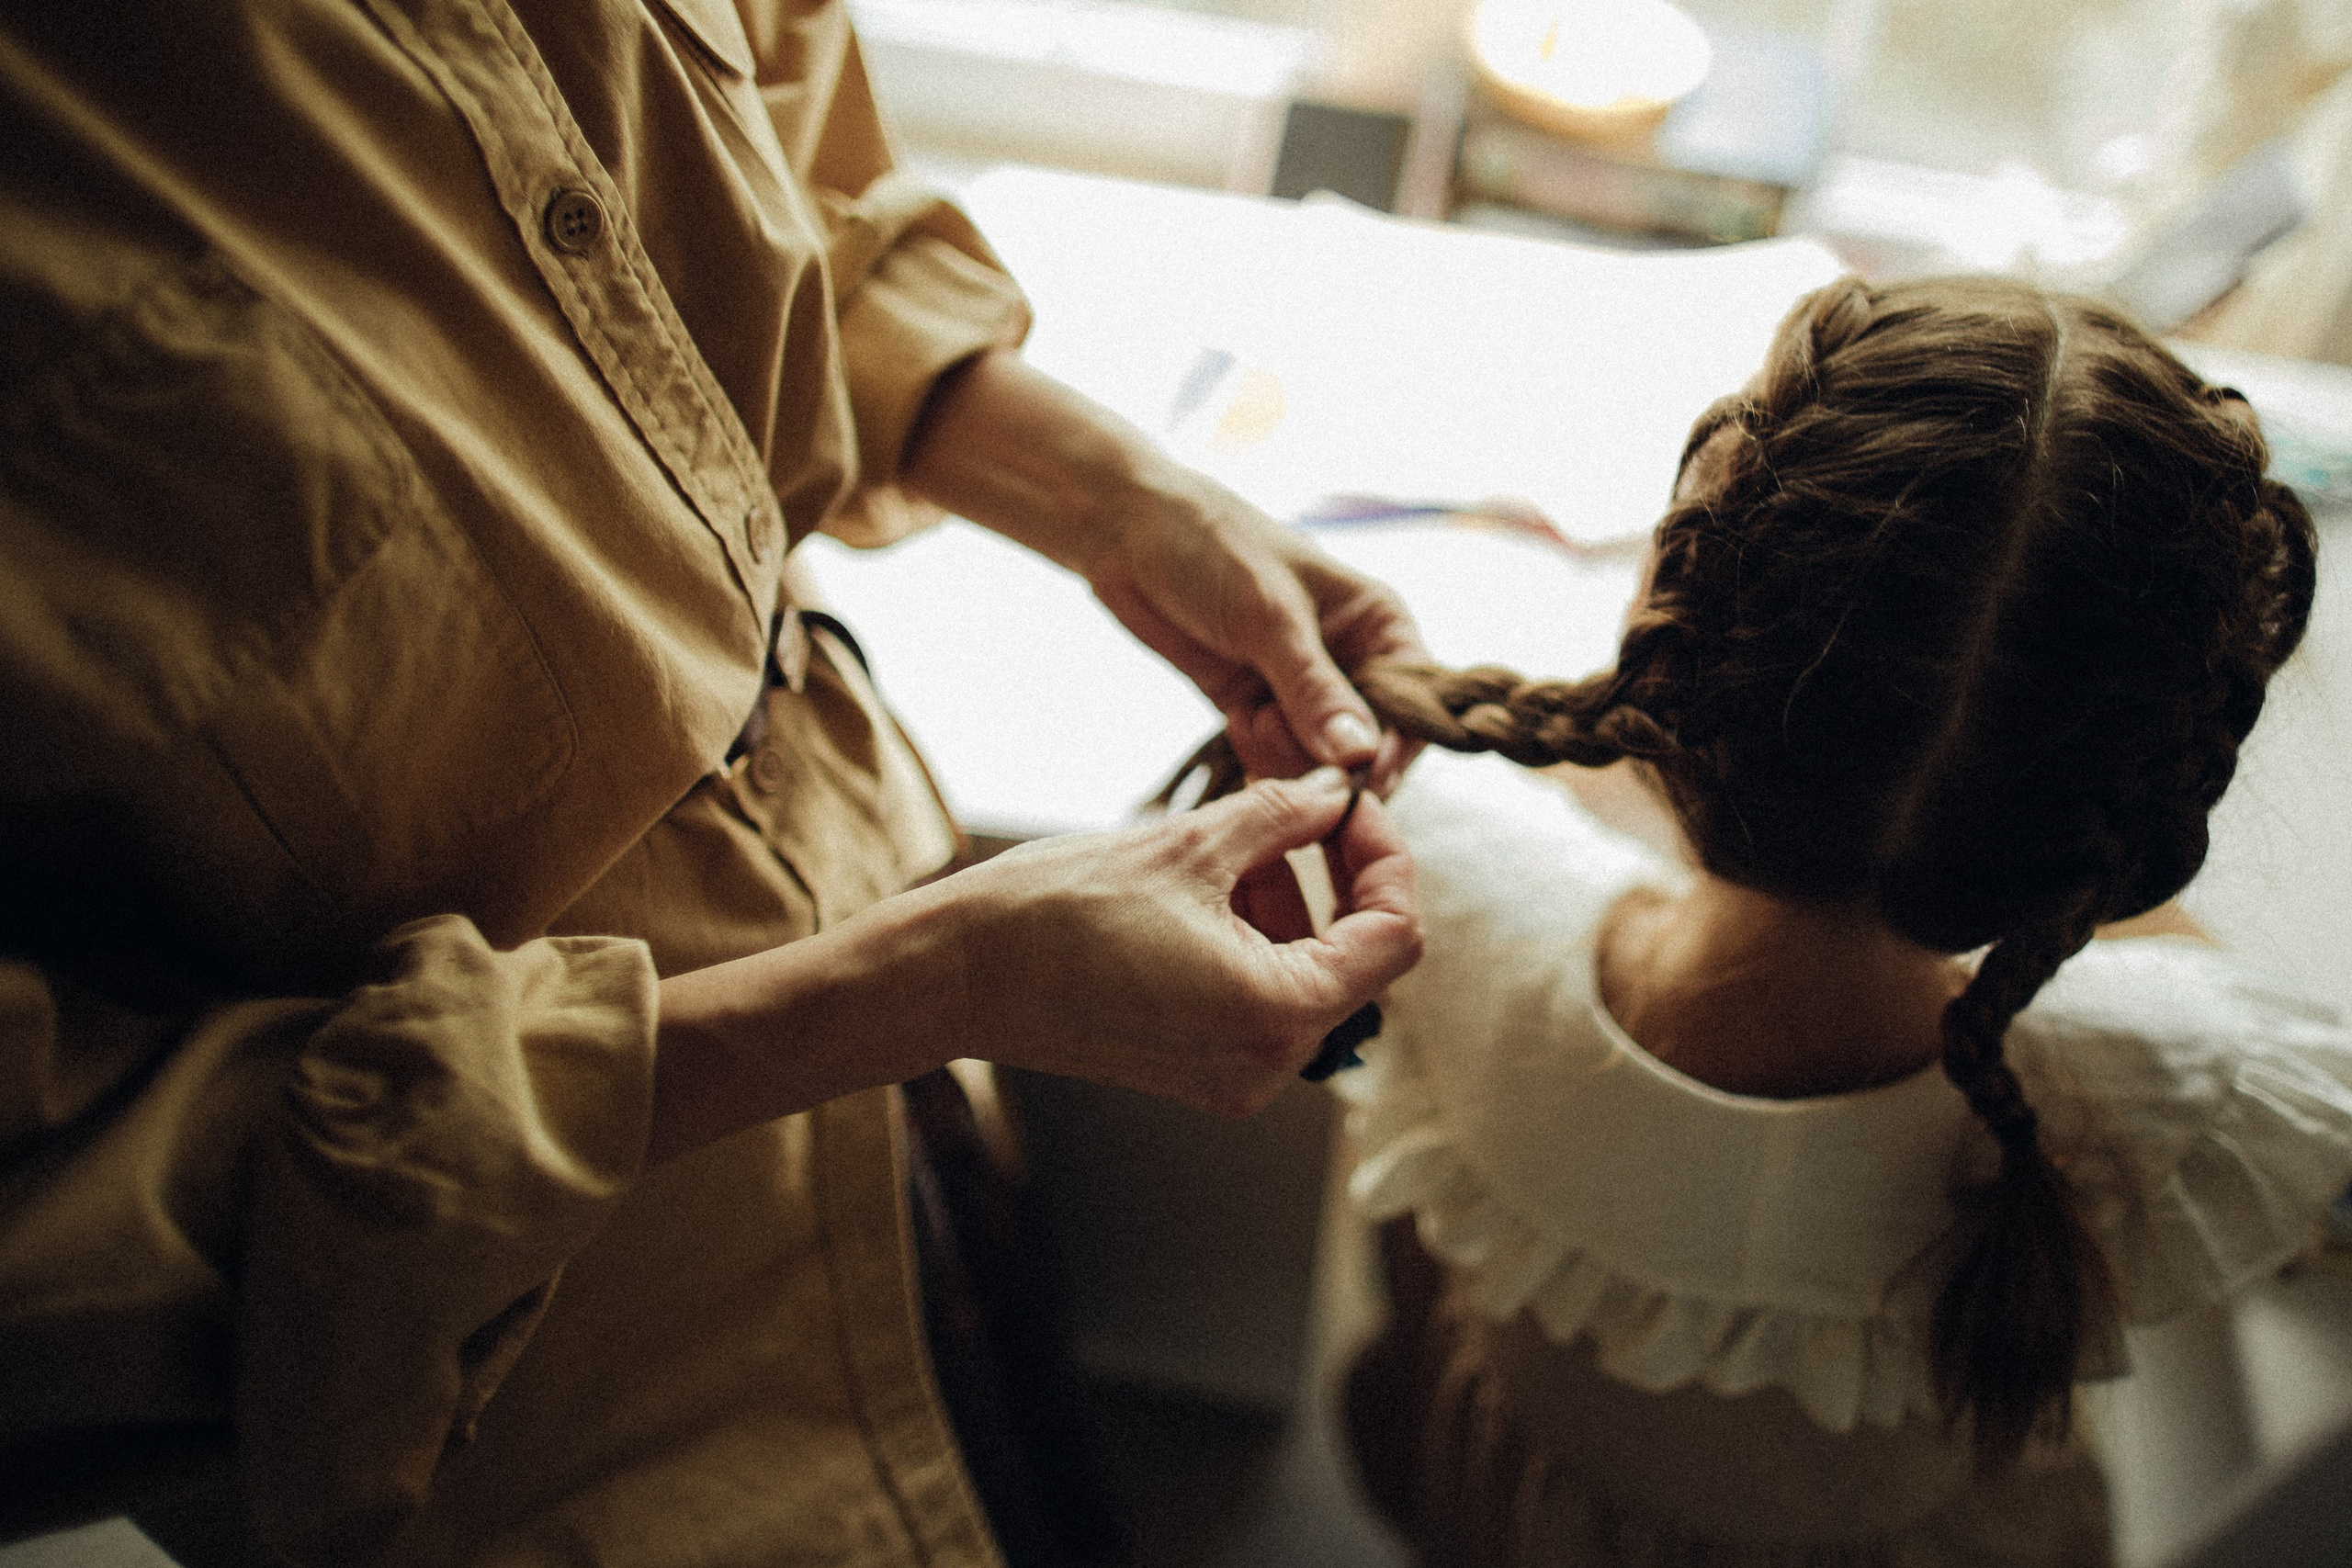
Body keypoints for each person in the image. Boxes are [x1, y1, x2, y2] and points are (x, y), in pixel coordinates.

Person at [0, 4, 1422, 1565]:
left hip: (910, 1002)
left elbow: (758, 168)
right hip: (551, 1379)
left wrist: (1123, 501)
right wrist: (919, 990)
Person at [1325, 276, 2351, 1565]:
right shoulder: (2177, 1093)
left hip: (1538, 1506)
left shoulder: (1446, 881)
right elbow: (2216, 1012)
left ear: (1667, 602)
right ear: (2130, 816)